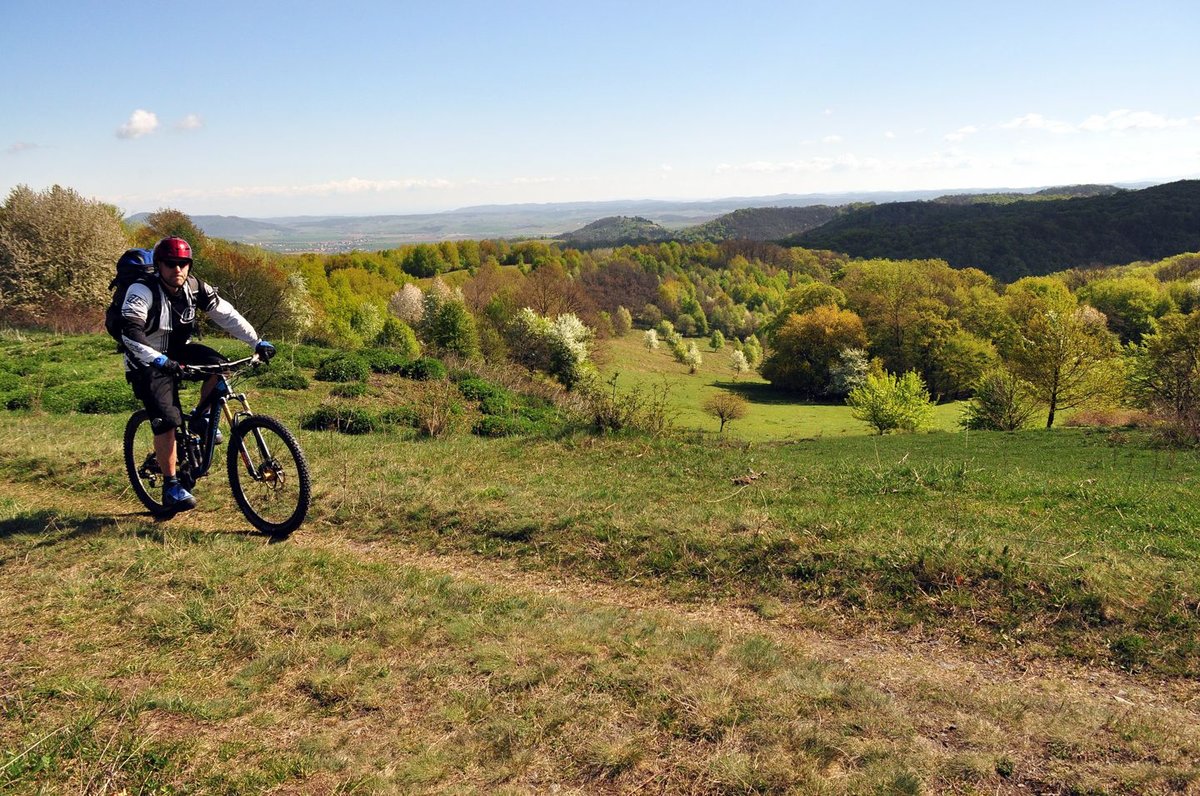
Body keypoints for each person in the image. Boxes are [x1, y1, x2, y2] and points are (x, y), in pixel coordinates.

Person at [119, 236, 275, 511]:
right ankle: (171, 485)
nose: (177, 269)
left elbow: (226, 314)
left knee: (220, 366)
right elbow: (129, 332)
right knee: (167, 418)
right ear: (158, 265)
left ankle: (201, 419)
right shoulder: (141, 291)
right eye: (170, 264)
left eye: (183, 263)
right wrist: (158, 361)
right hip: (145, 359)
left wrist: (256, 342)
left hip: (179, 349)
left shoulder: (194, 287)